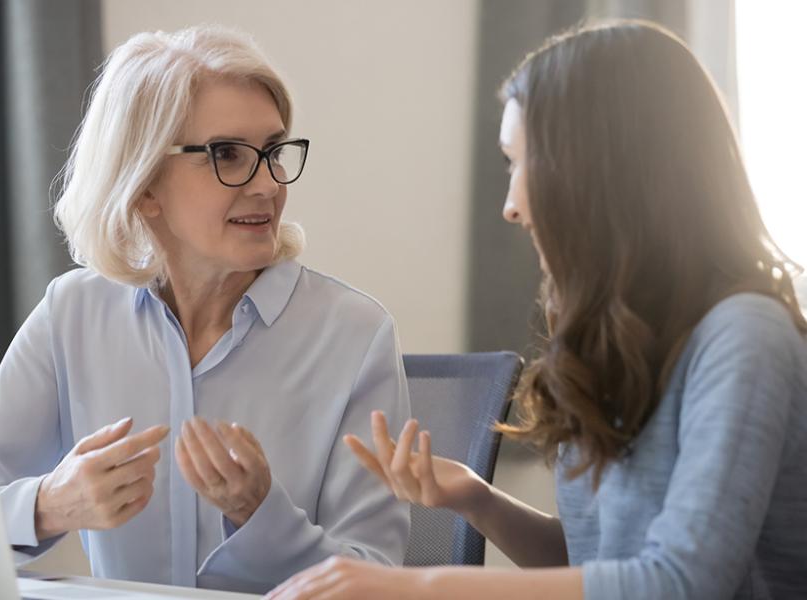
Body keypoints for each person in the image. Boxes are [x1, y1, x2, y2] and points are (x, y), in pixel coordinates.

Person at [266, 20, 807, 600]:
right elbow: (596, 564)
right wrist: (477, 499)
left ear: (600, 171)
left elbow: (679, 583)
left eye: (522, 162)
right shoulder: (619, 338)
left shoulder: (745, 337)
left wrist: (414, 588)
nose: (511, 205)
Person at [0, 25, 410, 594]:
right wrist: (51, 505)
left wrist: (261, 516)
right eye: (227, 154)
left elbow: (377, 580)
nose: (266, 185)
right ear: (144, 185)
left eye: (273, 151)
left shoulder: (356, 334)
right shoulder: (73, 313)